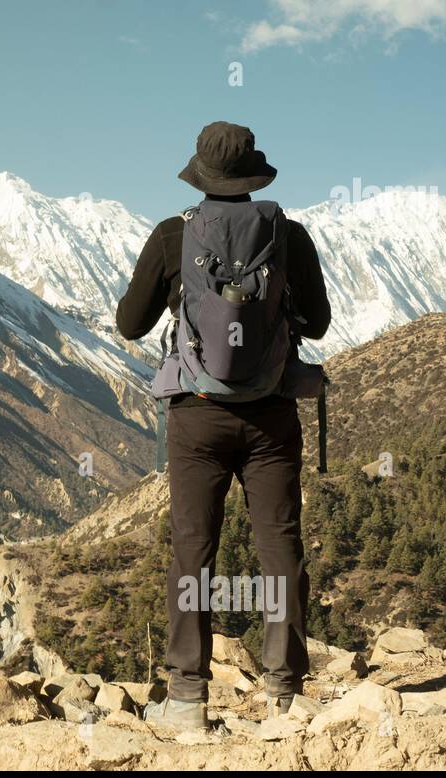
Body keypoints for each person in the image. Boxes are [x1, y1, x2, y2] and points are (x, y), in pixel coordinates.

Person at [116, 121, 331, 729]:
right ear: (254, 176)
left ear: (201, 175)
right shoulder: (289, 236)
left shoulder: (172, 236)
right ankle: (284, 693)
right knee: (280, 548)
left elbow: (130, 325)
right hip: (270, 417)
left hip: (197, 418)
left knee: (193, 553)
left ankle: (186, 698)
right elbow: (317, 324)